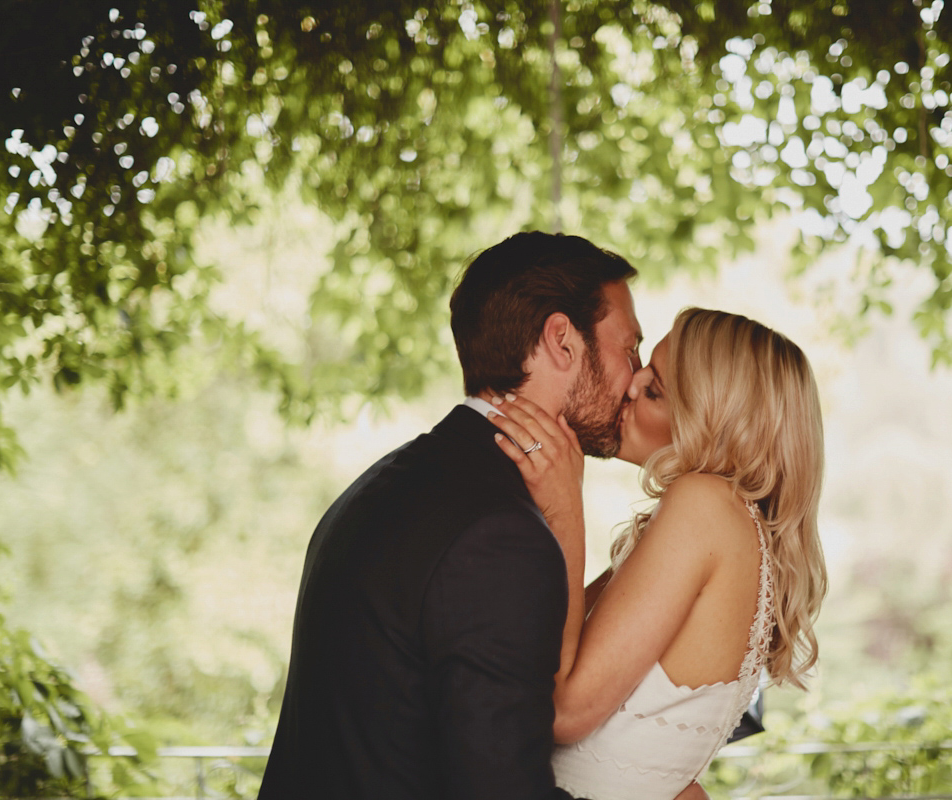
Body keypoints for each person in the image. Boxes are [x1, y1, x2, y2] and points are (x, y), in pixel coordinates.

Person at [257, 231, 643, 799]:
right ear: (562, 340)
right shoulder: (499, 535)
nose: (635, 377)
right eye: (629, 348)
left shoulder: (383, 485)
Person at [487, 307, 828, 800]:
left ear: (710, 421)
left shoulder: (704, 505)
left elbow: (565, 712)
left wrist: (565, 508)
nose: (628, 385)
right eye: (643, 365)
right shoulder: (732, 525)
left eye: (654, 390)